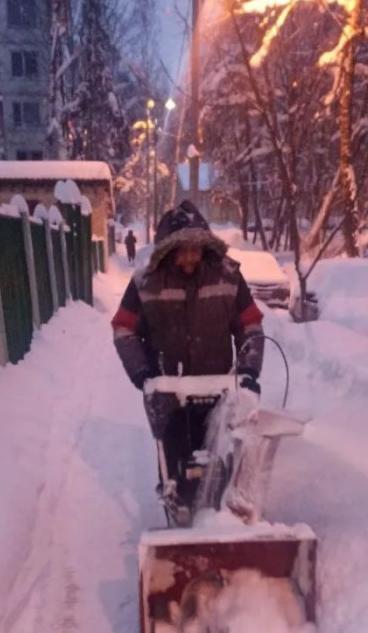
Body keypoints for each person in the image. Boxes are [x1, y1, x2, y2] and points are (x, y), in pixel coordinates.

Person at [111, 200, 264, 520]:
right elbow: (124, 328)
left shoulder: (228, 277)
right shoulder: (146, 283)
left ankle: (227, 519)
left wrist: (249, 370)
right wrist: (143, 373)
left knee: (224, 455)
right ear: (168, 250)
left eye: (196, 248)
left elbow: (250, 325)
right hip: (169, 390)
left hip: (219, 384)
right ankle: (179, 514)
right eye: (183, 249)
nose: (191, 256)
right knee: (175, 461)